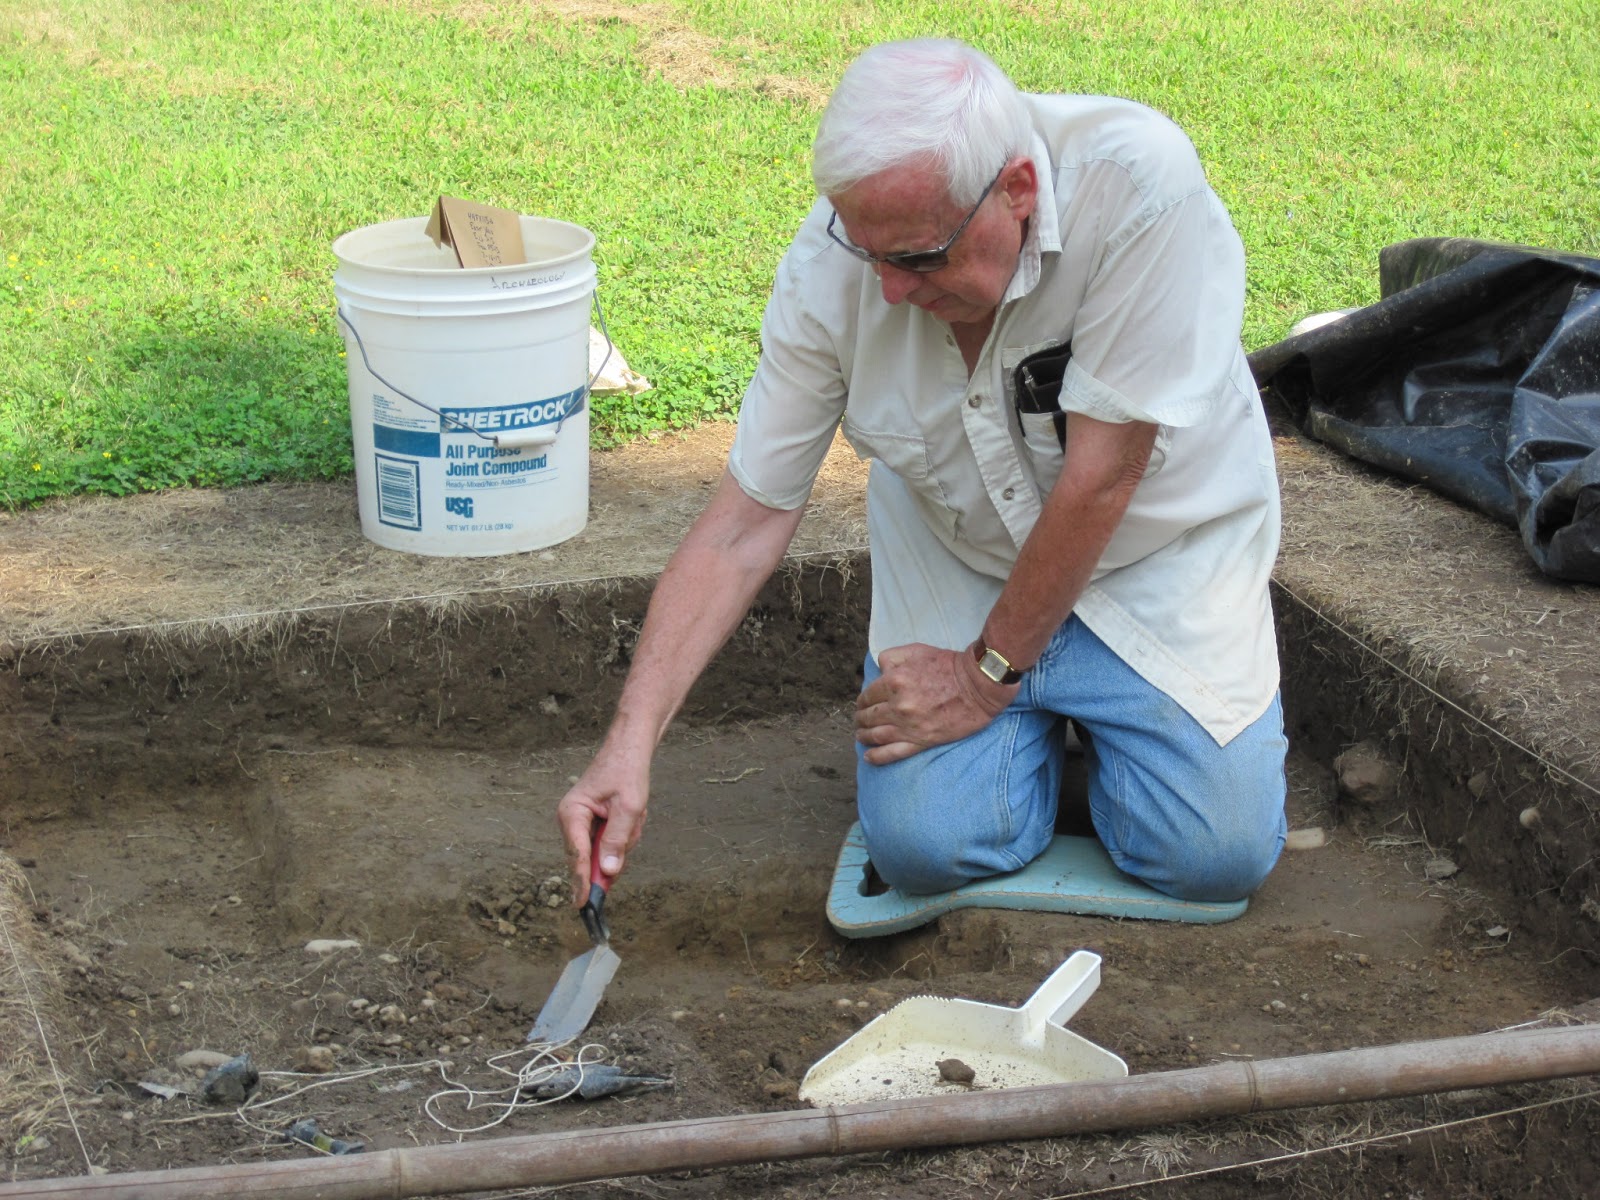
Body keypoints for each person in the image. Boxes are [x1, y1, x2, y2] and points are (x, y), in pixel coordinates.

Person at [557, 38, 1287, 911]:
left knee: (1215, 855)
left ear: (1018, 190)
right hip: (962, 553)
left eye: (919, 256)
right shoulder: (836, 269)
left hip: (1156, 551)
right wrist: (628, 746)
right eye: (871, 255)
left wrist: (983, 679)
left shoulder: (1138, 188)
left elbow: (1102, 477)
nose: (891, 291)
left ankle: (1080, 731)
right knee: (925, 847)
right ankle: (1059, 739)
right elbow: (743, 522)